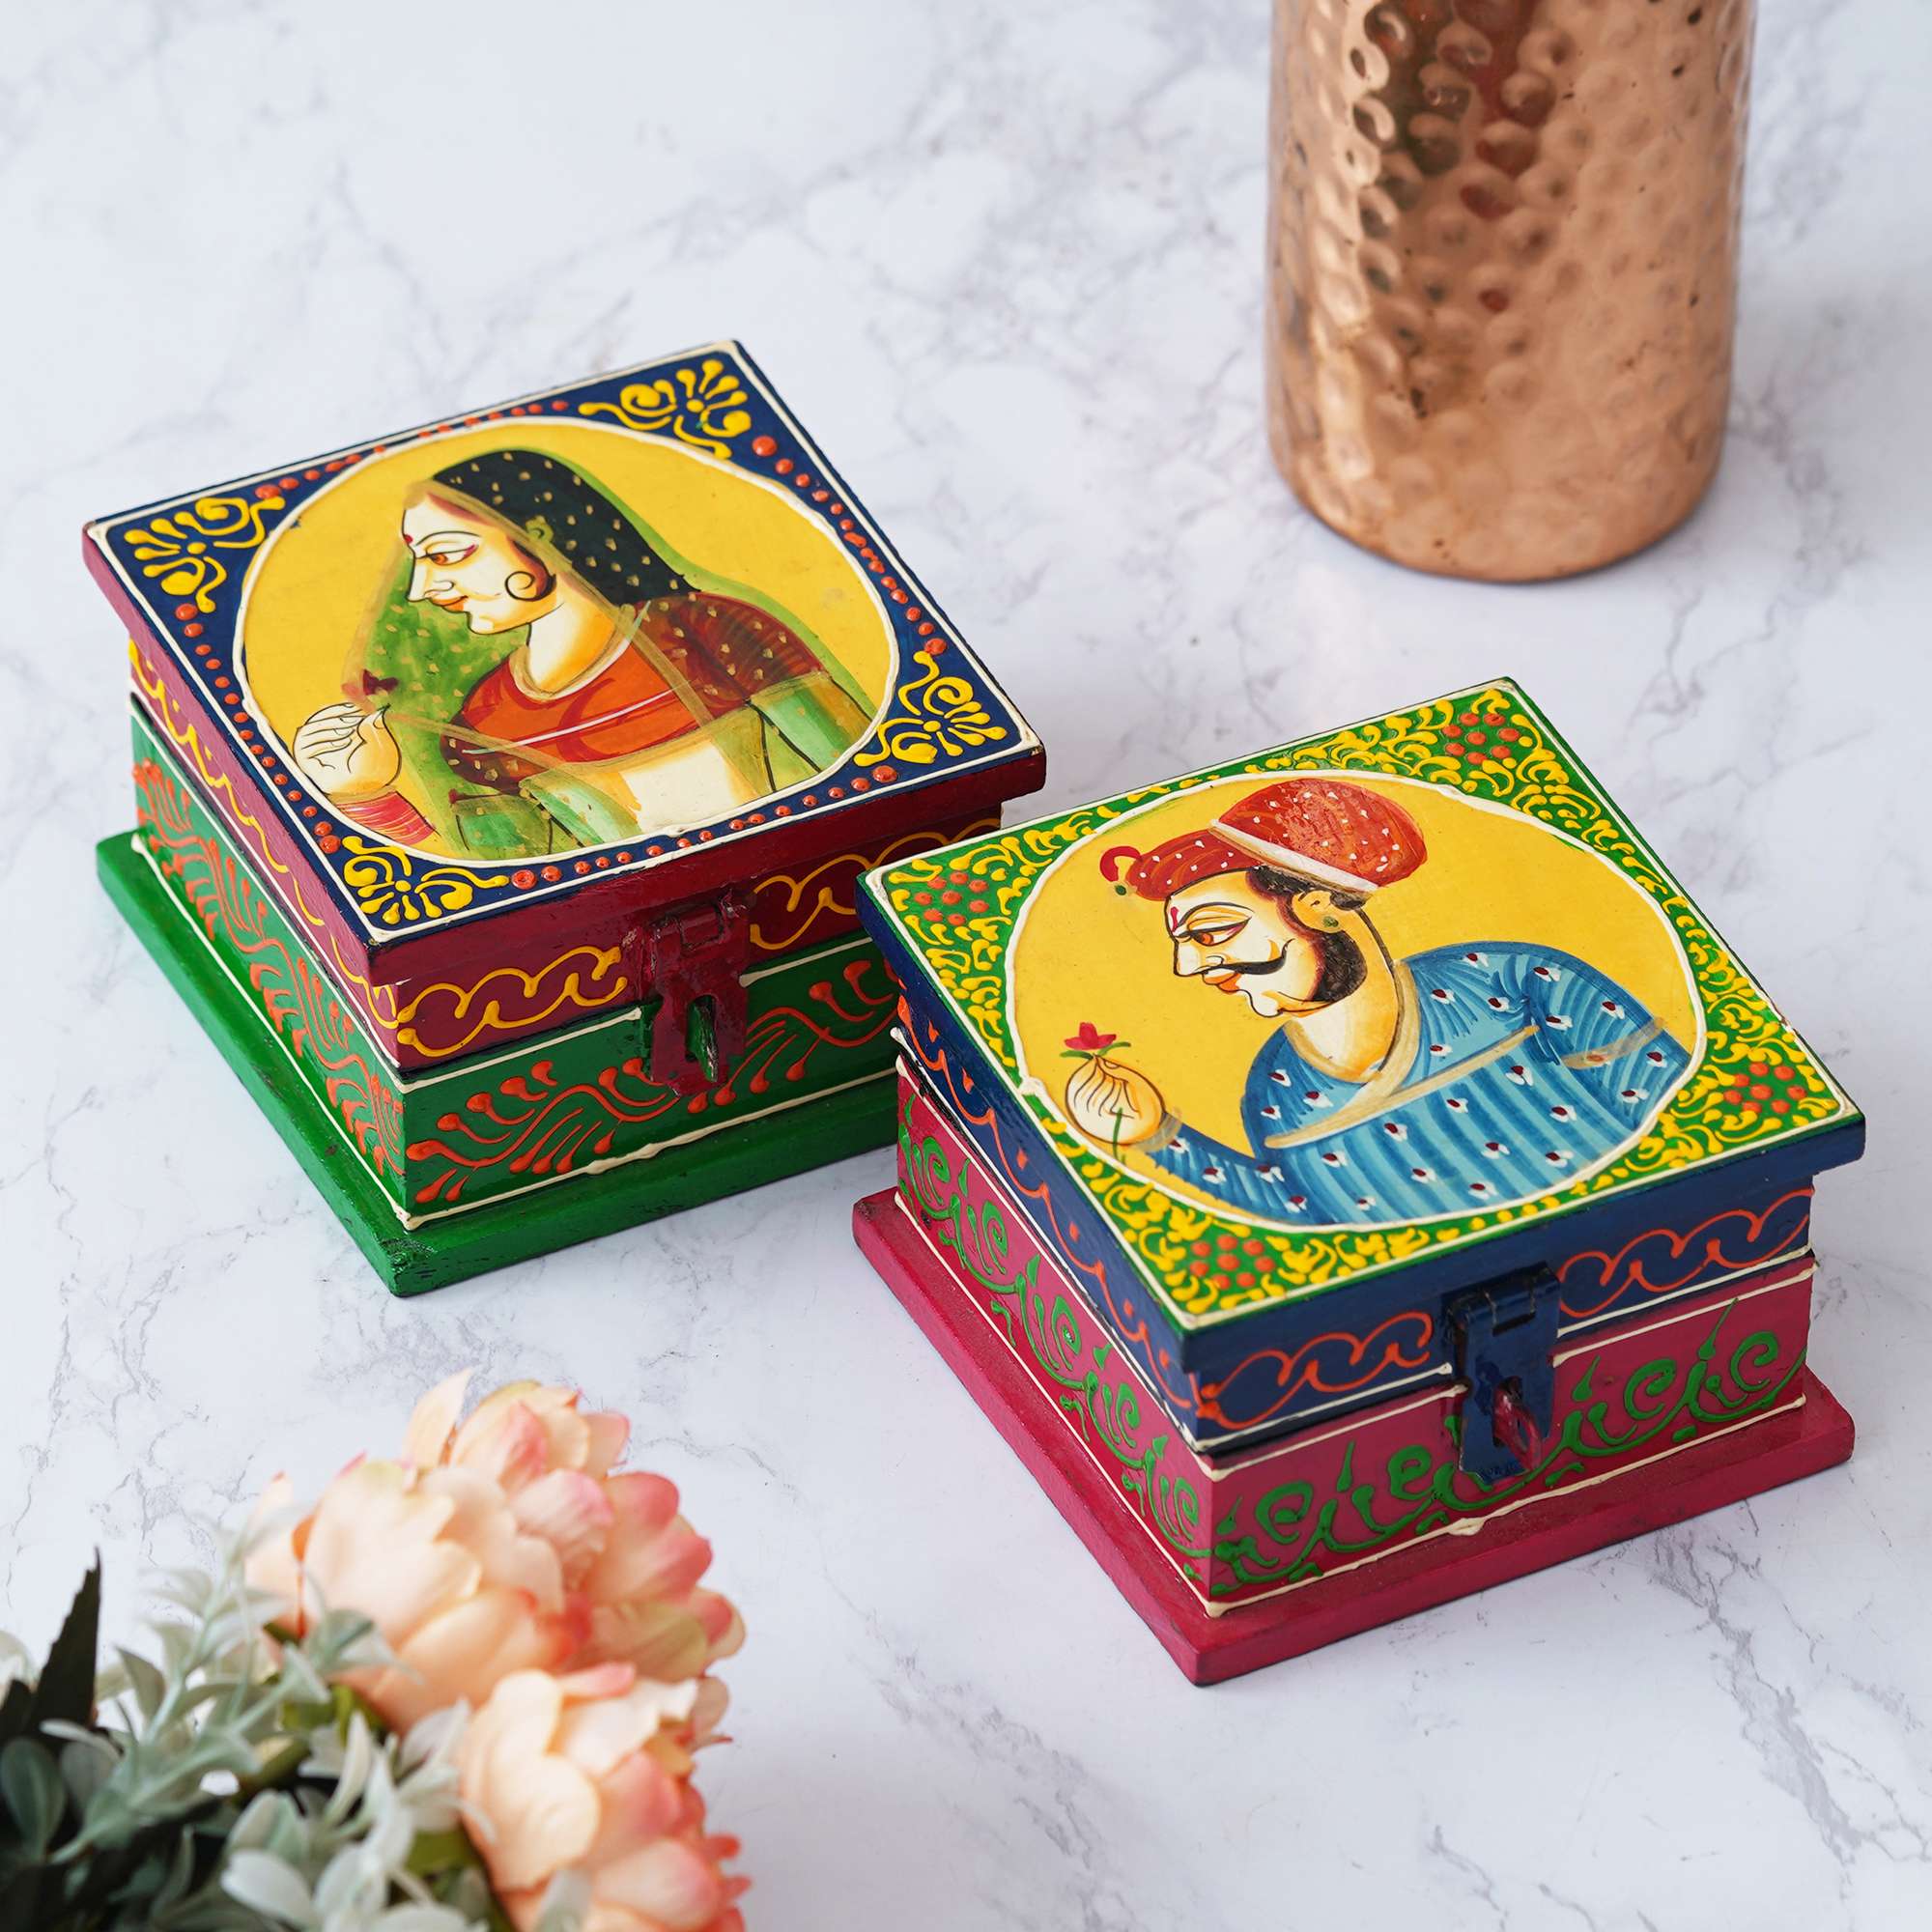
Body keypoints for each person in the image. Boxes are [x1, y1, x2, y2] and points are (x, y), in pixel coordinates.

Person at [1065, 776, 1690, 1224]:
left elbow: (1681, 1114)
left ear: (1318, 907)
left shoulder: (1515, 983)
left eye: (1212, 932)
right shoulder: (1279, 1089)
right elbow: (1308, 1218)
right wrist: (1156, 1136)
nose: (1189, 966)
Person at [288, 447, 870, 853]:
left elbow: (867, 781)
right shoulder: (484, 725)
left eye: (446, 555)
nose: (422, 589)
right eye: (419, 563)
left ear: (540, 536)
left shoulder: (709, 632)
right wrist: (368, 796)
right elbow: (501, 900)